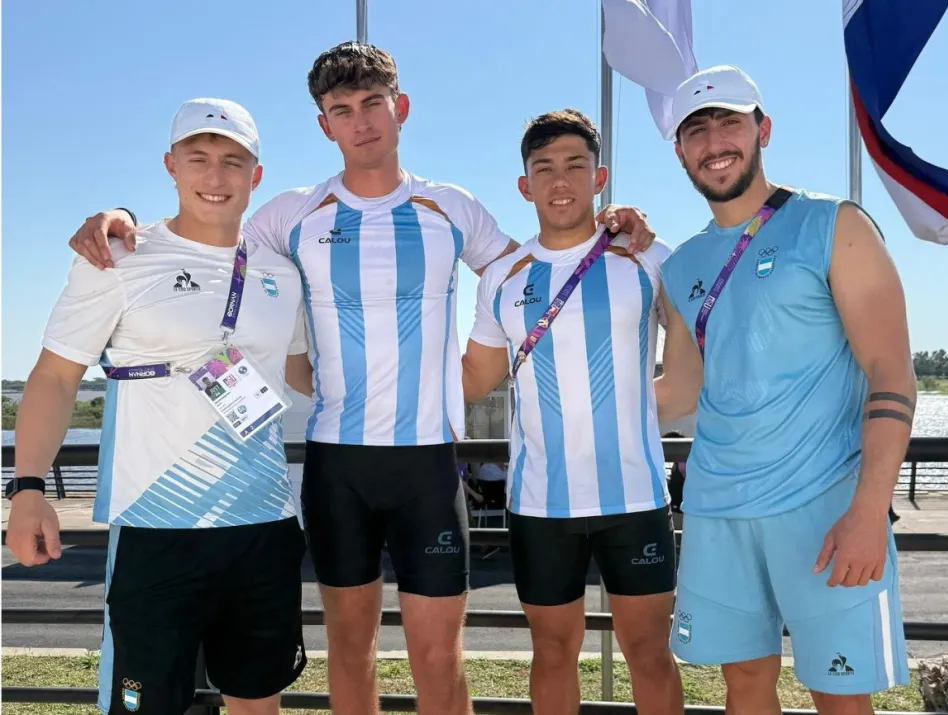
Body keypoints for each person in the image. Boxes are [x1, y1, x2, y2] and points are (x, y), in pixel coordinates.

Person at [64, 42, 657, 715]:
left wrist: (611, 224)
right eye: (342, 110)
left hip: (427, 466)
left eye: (373, 103)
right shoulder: (293, 213)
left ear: (400, 108)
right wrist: (121, 221)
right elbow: (203, 230)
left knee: (439, 658)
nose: (361, 121)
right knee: (350, 653)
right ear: (325, 125)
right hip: (337, 467)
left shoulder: (450, 207)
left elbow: (537, 267)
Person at [5, 99, 313, 715]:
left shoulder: (281, 272)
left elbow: (304, 373)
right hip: (155, 530)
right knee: (144, 708)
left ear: (256, 175)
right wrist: (28, 488)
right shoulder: (115, 258)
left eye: (233, 162)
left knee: (258, 700)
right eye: (198, 159)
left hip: (264, 527)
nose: (215, 176)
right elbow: (56, 377)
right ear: (170, 166)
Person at [653, 65, 915, 715]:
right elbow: (679, 393)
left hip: (825, 506)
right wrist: (568, 411)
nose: (715, 141)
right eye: (696, 129)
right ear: (679, 150)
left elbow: (890, 371)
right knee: (743, 681)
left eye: (730, 122)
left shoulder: (835, 224)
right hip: (718, 508)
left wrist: (869, 512)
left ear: (762, 130)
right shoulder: (681, 265)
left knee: (839, 694)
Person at [461, 109, 683, 715]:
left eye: (574, 166)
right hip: (541, 503)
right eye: (544, 169)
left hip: (634, 498)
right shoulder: (502, 277)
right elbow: (474, 378)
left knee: (649, 653)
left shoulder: (647, 255)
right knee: (552, 653)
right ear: (524, 185)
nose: (560, 181)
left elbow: (697, 357)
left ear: (599, 177)